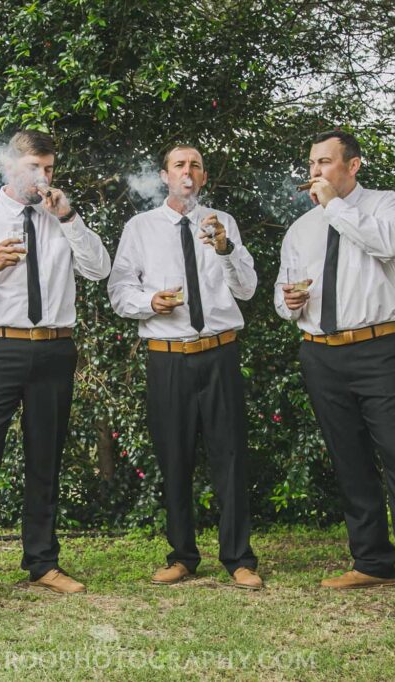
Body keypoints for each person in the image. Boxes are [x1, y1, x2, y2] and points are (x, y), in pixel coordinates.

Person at [274, 130, 395, 612]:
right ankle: (373, 563)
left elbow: (387, 244)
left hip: (379, 350)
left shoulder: (385, 205)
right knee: (350, 460)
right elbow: (283, 292)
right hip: (321, 353)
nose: (315, 171)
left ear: (353, 165)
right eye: (312, 163)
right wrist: (289, 302)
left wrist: (333, 206)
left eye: (324, 162)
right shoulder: (301, 228)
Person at [0, 130, 111, 619]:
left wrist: (69, 218)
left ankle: (42, 561)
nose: (43, 177)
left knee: (46, 457)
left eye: (49, 168)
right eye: (34, 167)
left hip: (55, 348)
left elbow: (99, 269)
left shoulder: (62, 217)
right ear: (9, 166)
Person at [108, 145, 262, 591]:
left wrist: (225, 248)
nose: (187, 171)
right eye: (179, 165)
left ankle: (239, 558)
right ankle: (182, 555)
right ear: (165, 176)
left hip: (219, 353)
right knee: (173, 455)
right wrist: (149, 302)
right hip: (168, 355)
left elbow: (248, 289)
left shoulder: (222, 222)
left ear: (204, 177)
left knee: (230, 456)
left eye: (195, 165)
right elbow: (119, 291)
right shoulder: (140, 228)